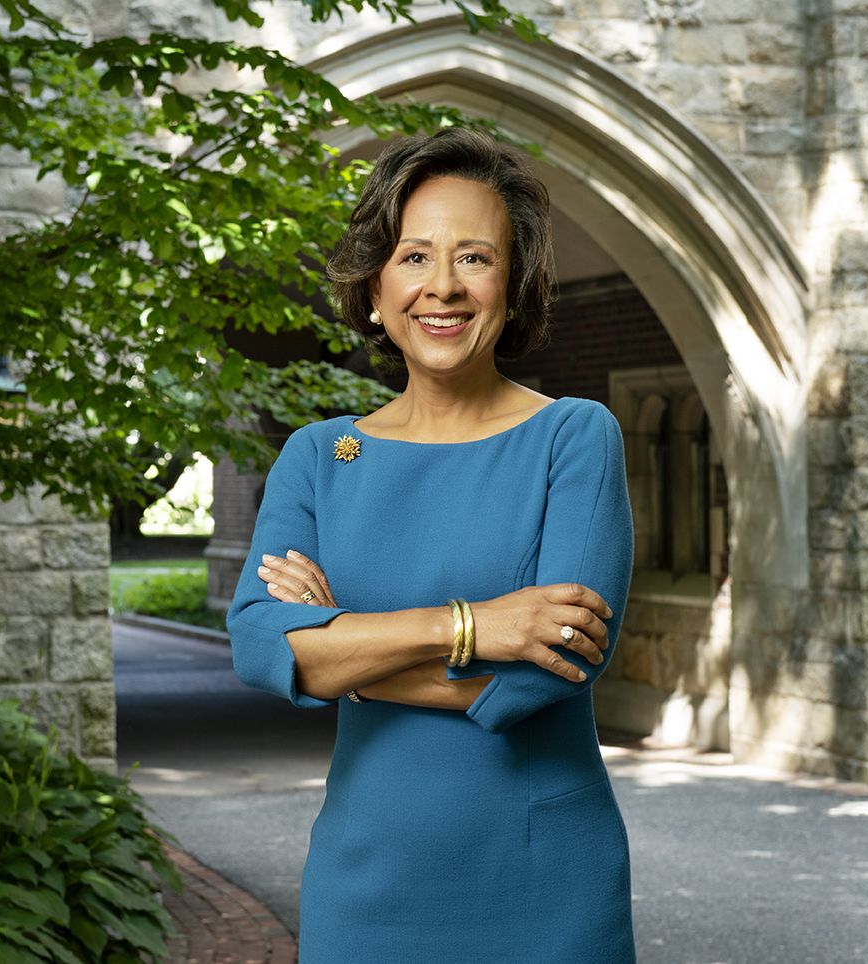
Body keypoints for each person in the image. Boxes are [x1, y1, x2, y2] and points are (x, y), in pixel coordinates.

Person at [225, 127, 636, 963]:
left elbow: (551, 672)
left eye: (475, 258)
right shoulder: (319, 456)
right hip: (365, 884)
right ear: (375, 289)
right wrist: (471, 626)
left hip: (544, 882)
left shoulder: (573, 436)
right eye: (414, 256)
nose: (442, 285)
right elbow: (261, 644)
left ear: (513, 287)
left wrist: (343, 650)